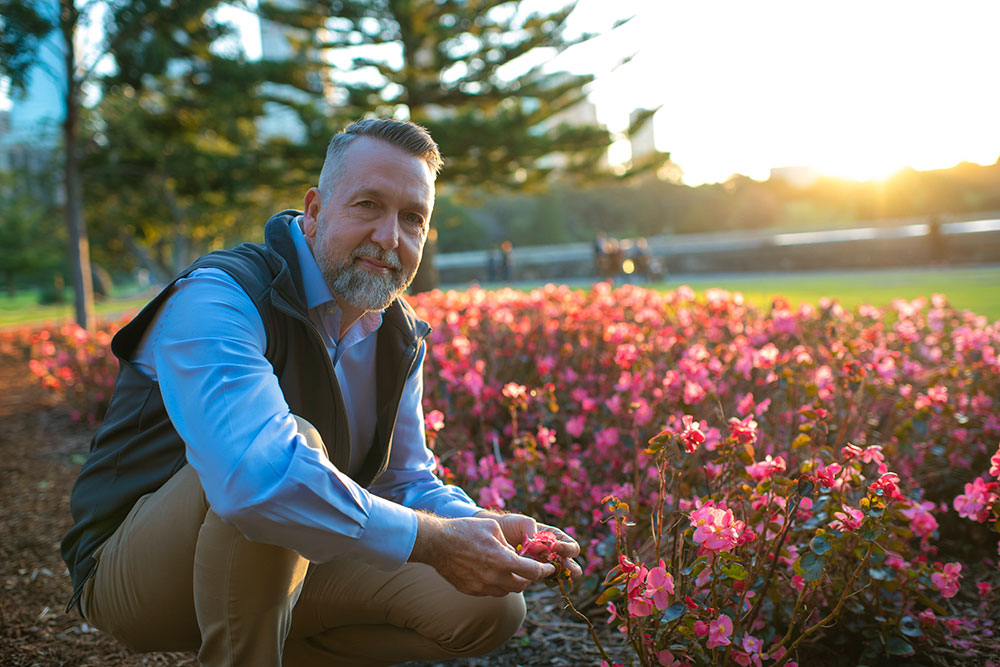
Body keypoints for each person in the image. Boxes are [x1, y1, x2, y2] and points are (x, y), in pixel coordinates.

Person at [60, 119, 581, 667]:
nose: (389, 237)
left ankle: (277, 646)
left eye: (412, 219)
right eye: (367, 205)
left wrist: (475, 529)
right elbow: (258, 482)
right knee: (285, 467)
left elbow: (404, 479)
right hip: (133, 572)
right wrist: (434, 543)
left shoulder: (398, 336)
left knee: (488, 609)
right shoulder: (221, 296)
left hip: (283, 565)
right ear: (313, 211)